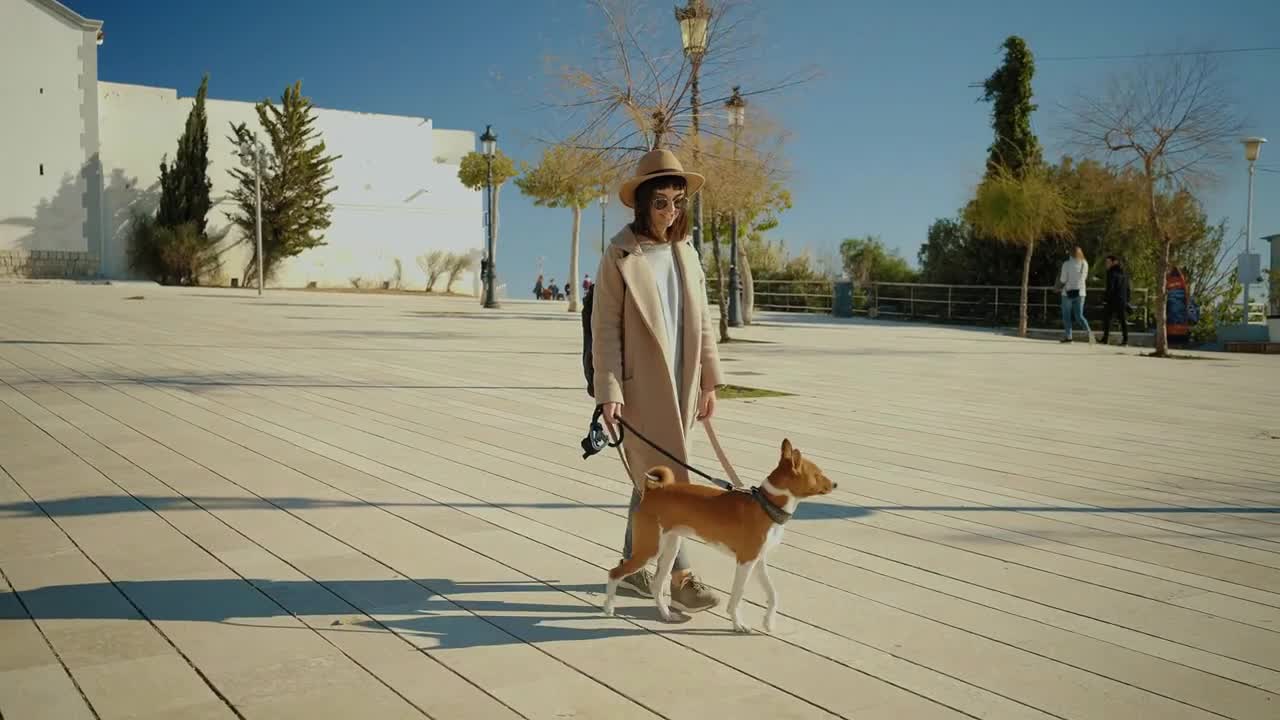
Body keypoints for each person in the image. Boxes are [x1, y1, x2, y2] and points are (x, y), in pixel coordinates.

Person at [592, 148, 722, 613]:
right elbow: (604, 329)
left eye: (678, 201)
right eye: (661, 201)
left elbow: (704, 321)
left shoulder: (685, 251)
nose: (670, 211)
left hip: (683, 384)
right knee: (666, 485)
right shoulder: (620, 255)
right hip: (641, 388)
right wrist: (609, 393)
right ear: (642, 204)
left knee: (649, 482)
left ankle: (633, 566)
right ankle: (682, 577)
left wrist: (709, 380)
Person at [1058, 246, 1094, 345]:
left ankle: (1069, 337)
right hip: (1081, 293)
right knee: (1079, 316)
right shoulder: (1085, 264)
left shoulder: (1066, 264)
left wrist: (1058, 286)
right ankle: (1090, 334)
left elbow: (1063, 280)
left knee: (1067, 316)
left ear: (1070, 253)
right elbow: (1084, 278)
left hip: (1067, 293)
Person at [1100, 255, 1130, 346]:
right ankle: (1125, 340)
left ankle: (1105, 339)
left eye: (1108, 262)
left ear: (1114, 262)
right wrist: (1127, 299)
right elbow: (1128, 287)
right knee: (1122, 320)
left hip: (1113, 300)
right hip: (1122, 299)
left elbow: (1110, 287)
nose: (1106, 264)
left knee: (1107, 319)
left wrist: (1105, 298)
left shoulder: (1111, 273)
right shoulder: (1124, 273)